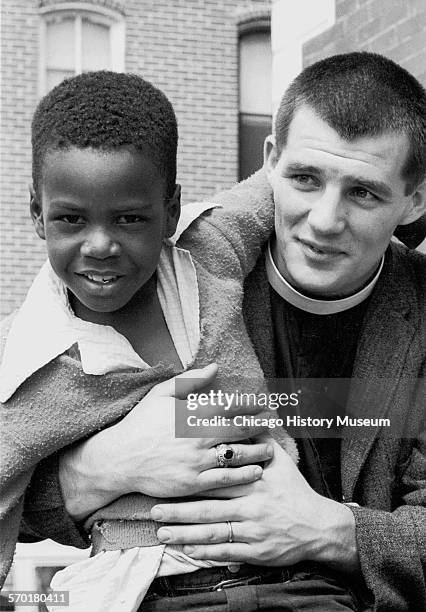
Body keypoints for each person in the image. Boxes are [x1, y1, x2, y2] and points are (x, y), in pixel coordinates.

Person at [9, 53, 426, 610]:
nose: (325, 220)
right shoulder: (187, 272)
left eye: (365, 193)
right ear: (271, 163)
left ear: (414, 198)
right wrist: (102, 468)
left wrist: (335, 531)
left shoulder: (419, 311)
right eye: (304, 178)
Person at [0, 70, 297, 607]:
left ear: (171, 212)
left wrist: (408, 222)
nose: (99, 245)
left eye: (129, 219)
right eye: (70, 218)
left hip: (284, 566)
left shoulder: (208, 254)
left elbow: (287, 180)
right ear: (37, 215)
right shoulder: (38, 363)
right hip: (147, 585)